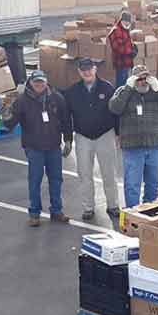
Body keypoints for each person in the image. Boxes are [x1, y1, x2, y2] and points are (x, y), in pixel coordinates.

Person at [3, 70, 71, 227]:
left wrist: (68, 140)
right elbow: (10, 124)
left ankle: (56, 211)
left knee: (56, 180)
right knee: (35, 181)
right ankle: (34, 213)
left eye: (42, 81)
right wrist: (6, 115)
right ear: (30, 83)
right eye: (36, 82)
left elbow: (66, 120)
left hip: (54, 147)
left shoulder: (56, 98)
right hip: (34, 149)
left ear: (46, 82)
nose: (39, 85)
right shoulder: (22, 101)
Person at [109, 64, 158, 208]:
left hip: (153, 146)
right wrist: (127, 88)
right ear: (132, 79)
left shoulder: (156, 92)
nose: (142, 82)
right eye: (138, 79)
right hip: (132, 148)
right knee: (132, 184)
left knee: (152, 183)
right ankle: (133, 214)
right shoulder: (124, 91)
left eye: (145, 78)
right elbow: (114, 108)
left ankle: (149, 211)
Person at [63, 58, 120, 222]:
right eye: (83, 70)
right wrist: (68, 139)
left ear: (95, 69)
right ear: (79, 72)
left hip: (105, 135)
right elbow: (67, 117)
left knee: (109, 172)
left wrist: (118, 133)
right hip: (82, 137)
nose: (87, 72)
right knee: (84, 174)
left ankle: (113, 205)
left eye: (89, 69)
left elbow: (115, 112)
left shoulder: (107, 88)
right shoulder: (72, 92)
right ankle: (88, 207)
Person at [107, 10, 136, 88]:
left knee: (125, 82)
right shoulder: (116, 30)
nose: (127, 23)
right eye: (125, 21)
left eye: (128, 22)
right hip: (120, 62)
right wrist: (130, 52)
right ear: (122, 20)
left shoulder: (125, 29)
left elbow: (126, 43)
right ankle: (119, 98)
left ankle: (124, 98)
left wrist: (133, 48)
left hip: (126, 62)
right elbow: (117, 47)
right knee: (121, 84)